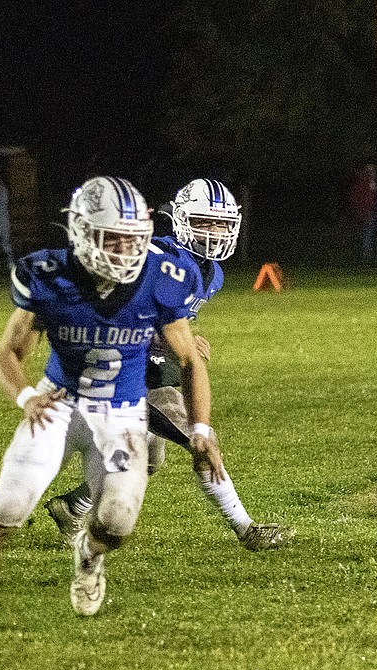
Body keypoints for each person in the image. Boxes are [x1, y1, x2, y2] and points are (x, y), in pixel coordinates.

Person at [0, 176, 223, 645]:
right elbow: (6, 354)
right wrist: (26, 397)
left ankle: (89, 554)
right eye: (111, 236)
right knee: (6, 511)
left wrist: (201, 429)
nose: (123, 248)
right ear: (80, 232)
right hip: (58, 405)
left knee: (116, 523)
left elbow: (190, 359)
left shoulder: (162, 277)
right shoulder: (49, 276)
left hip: (122, 413)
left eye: (132, 237)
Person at [45, 179, 291, 551]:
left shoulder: (212, 273)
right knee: (200, 437)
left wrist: (178, 337)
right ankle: (247, 529)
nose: (215, 232)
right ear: (179, 220)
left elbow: (167, 317)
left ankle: (71, 506)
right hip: (111, 366)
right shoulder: (159, 257)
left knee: (150, 458)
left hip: (145, 364)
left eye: (222, 224)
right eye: (205, 222)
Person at [349, 163, 377, 261]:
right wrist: (364, 211)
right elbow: (359, 199)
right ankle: (367, 256)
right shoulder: (362, 184)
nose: (373, 173)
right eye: (370, 171)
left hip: (376, 212)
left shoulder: (375, 184)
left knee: (374, 234)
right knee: (367, 234)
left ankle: (375, 254)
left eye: (373, 170)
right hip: (367, 213)